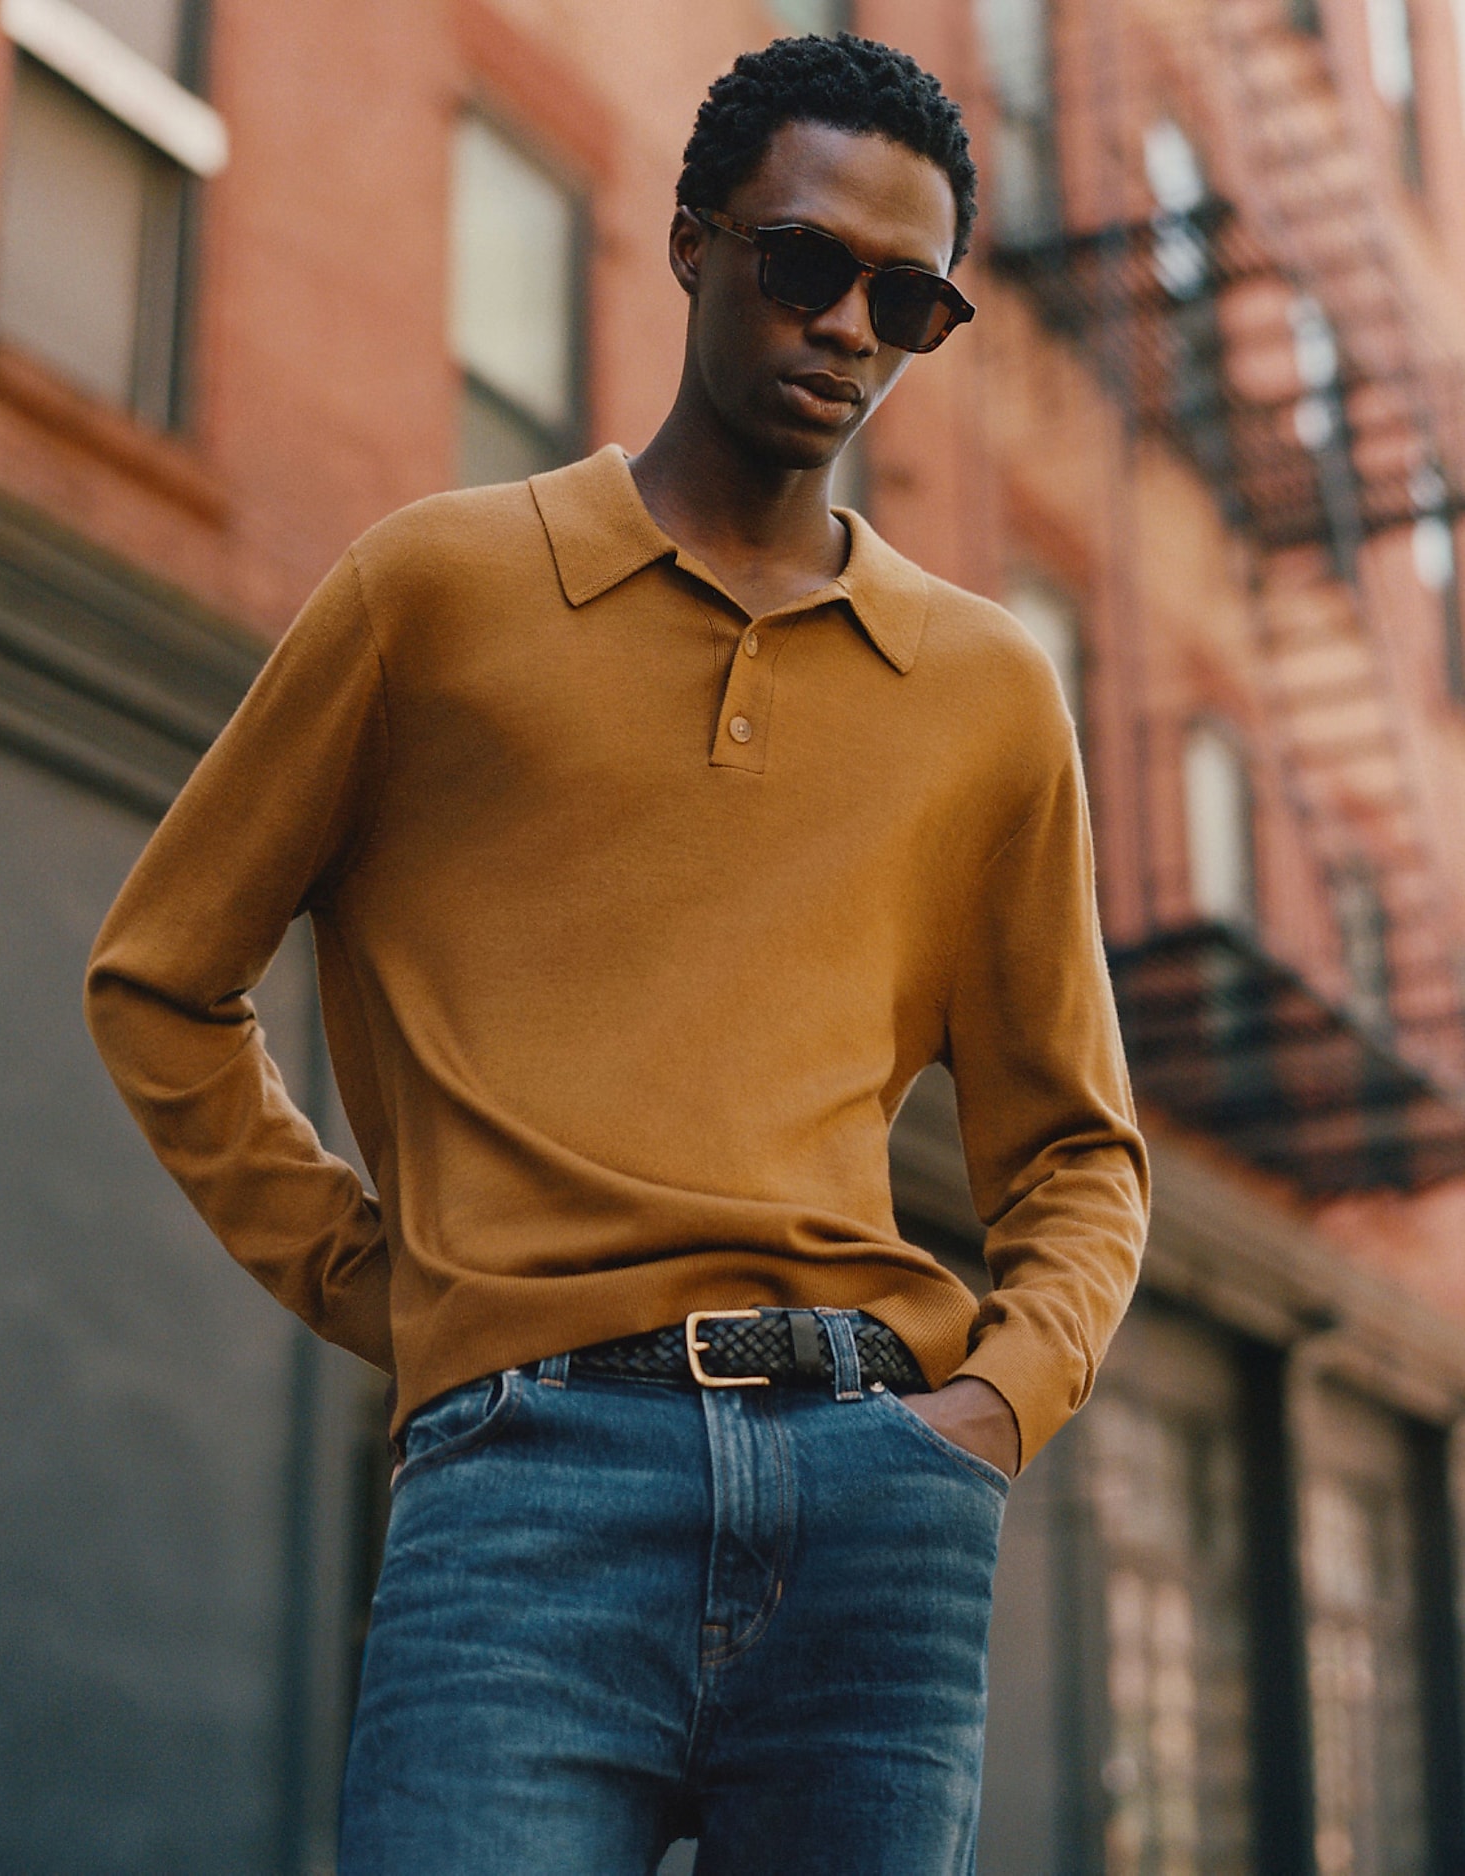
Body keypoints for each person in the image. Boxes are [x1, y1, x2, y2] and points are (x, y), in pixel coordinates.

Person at [86, 31, 1148, 1876]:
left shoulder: (989, 696)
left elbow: (1076, 1150)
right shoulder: (431, 593)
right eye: (802, 264)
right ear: (687, 245)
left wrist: (991, 1411)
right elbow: (161, 979)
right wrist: (388, 1284)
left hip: (879, 1488)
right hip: (527, 1488)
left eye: (906, 303)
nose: (844, 330)